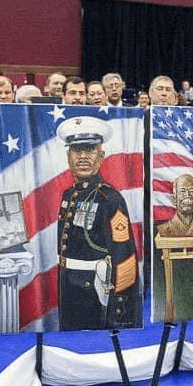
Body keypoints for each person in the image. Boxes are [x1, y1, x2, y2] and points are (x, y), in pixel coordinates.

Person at [56, 116, 140, 331]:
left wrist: (119, 310)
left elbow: (124, 258)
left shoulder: (110, 198)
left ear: (101, 156)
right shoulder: (69, 194)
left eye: (90, 150)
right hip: (68, 285)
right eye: (77, 150)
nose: (83, 157)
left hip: (95, 291)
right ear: (68, 156)